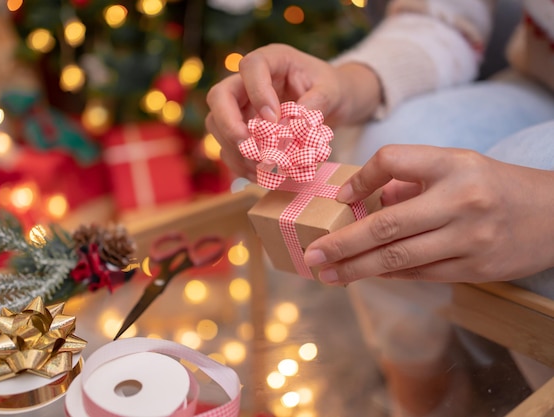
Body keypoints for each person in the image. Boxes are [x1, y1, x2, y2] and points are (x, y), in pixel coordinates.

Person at [206, 1, 554, 416]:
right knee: (388, 154)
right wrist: (348, 83)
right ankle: (422, 382)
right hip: (541, 74)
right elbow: (441, 16)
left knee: (526, 161)